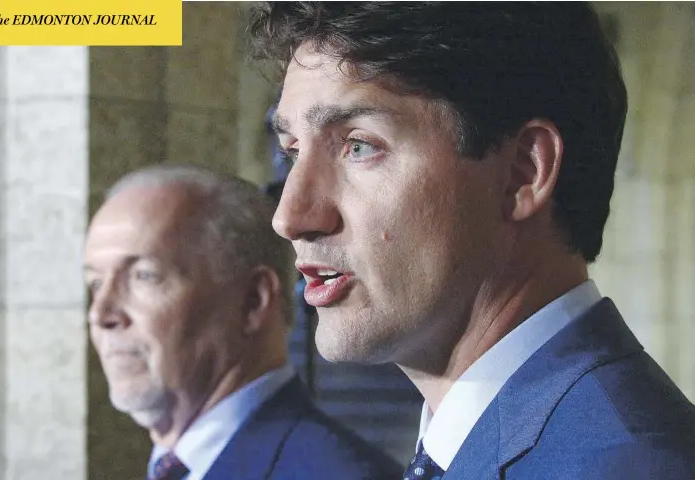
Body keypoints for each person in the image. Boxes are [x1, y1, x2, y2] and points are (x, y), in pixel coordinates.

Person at [248, 2, 695, 479]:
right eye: (292, 150)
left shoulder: (623, 466)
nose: (289, 217)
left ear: (522, 173)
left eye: (358, 146)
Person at [84, 165, 403, 480]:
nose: (101, 314)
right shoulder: (175, 465)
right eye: (96, 284)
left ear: (253, 300)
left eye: (144, 277)